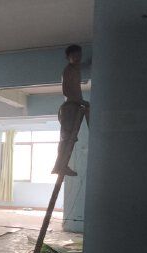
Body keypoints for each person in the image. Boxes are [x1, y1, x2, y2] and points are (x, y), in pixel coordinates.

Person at [52, 44, 90, 176]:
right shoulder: (68, 71)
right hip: (69, 107)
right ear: (68, 57)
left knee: (69, 138)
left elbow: (81, 66)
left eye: (79, 55)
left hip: (74, 106)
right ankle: (60, 166)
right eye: (74, 56)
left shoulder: (75, 69)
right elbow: (67, 92)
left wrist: (89, 63)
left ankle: (61, 166)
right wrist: (81, 101)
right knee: (67, 138)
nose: (78, 58)